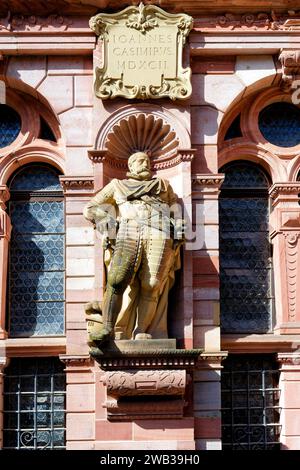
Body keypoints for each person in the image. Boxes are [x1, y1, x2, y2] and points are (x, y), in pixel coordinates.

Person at [83, 151, 184, 344]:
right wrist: (108, 222)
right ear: (130, 166)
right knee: (118, 280)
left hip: (159, 233)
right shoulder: (117, 186)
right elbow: (90, 208)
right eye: (139, 161)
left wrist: (179, 227)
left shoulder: (163, 185)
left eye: (146, 161)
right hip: (129, 231)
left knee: (152, 284)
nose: (144, 163)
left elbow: (175, 208)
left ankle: (141, 330)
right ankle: (107, 328)